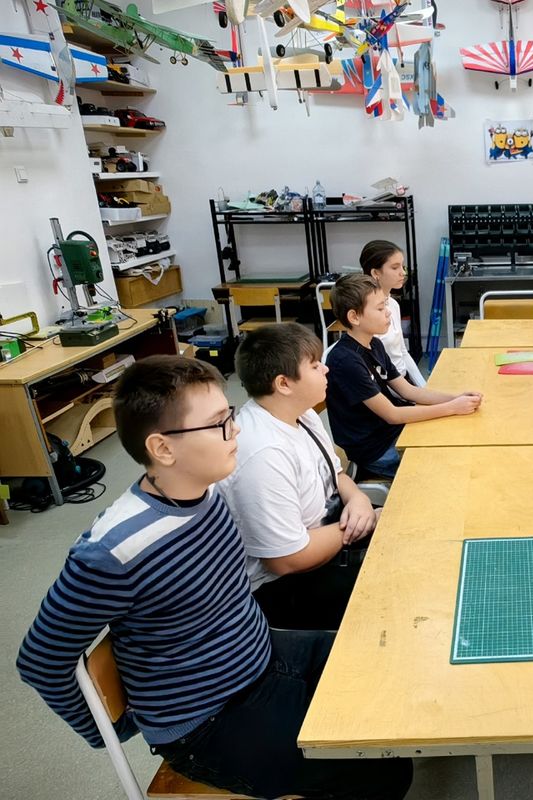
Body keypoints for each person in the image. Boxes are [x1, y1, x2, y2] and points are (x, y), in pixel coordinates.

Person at [16, 355, 411, 799]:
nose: (235, 430)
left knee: (381, 671)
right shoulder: (113, 552)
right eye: (219, 423)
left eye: (231, 415)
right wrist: (110, 728)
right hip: (208, 721)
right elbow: (40, 659)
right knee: (382, 769)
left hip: (261, 657)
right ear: (163, 449)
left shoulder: (206, 494)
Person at [220, 323, 378, 631]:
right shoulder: (264, 453)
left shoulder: (302, 413)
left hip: (327, 541)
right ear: (283, 383)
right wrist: (363, 524)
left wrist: (358, 499)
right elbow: (286, 559)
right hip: (290, 588)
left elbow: (336, 473)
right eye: (315, 365)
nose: (326, 369)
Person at [326, 274, 482, 478]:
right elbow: (392, 415)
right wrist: (452, 408)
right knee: (452, 466)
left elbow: (408, 390)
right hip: (376, 450)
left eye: (385, 305)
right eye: (380, 309)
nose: (388, 312)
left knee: (461, 437)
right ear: (354, 317)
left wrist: (456, 398)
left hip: (393, 433)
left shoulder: (374, 344)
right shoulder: (345, 361)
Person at [359, 240, 420, 382]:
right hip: (385, 385)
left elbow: (403, 352)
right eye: (395, 267)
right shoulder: (366, 313)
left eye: (403, 266)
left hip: (402, 381)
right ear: (375, 273)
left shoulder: (393, 305)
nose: (403, 273)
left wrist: (423, 385)